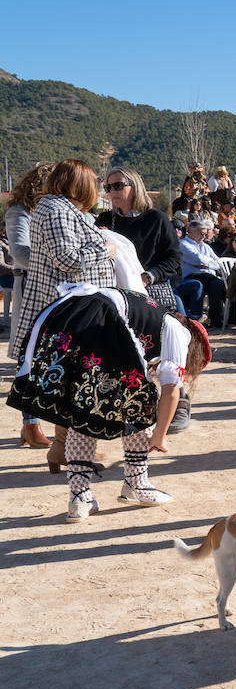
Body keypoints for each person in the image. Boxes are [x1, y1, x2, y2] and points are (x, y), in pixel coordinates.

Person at [8, 284, 210, 520]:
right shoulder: (178, 331)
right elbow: (172, 390)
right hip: (101, 319)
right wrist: (160, 435)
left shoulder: (152, 314)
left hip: (69, 314)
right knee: (140, 402)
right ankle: (136, 483)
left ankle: (79, 497)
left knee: (84, 409)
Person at [12, 159, 119, 472]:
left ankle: (64, 448)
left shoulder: (59, 208)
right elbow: (66, 259)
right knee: (76, 379)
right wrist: (104, 249)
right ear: (80, 184)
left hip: (73, 307)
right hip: (71, 309)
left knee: (72, 379)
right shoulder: (56, 209)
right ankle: (70, 449)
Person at [5, 161, 57, 449]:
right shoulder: (19, 212)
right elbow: (20, 254)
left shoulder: (56, 211)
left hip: (56, 286)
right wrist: (58, 256)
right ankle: (31, 423)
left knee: (54, 353)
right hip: (30, 287)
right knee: (30, 354)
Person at [95, 167, 182, 311]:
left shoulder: (156, 219)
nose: (112, 191)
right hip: (113, 294)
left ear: (135, 187)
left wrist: (147, 277)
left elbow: (174, 259)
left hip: (148, 293)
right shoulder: (105, 219)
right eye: (108, 187)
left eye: (118, 185)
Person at [177, 217, 227, 328]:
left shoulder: (205, 246)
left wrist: (207, 264)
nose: (203, 237)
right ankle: (198, 317)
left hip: (207, 276)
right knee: (205, 283)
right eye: (201, 233)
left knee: (217, 284)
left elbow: (218, 262)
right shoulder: (183, 244)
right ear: (190, 232)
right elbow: (198, 259)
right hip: (191, 276)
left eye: (205, 234)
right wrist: (205, 262)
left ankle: (216, 320)